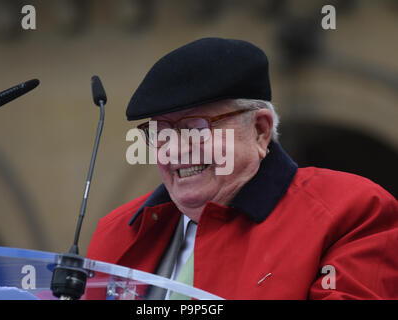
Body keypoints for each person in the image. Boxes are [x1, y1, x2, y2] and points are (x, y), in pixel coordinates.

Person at [86, 38, 398, 299]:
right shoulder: (117, 232)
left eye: (195, 128)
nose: (175, 150)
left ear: (260, 130)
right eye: (161, 133)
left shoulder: (352, 212)